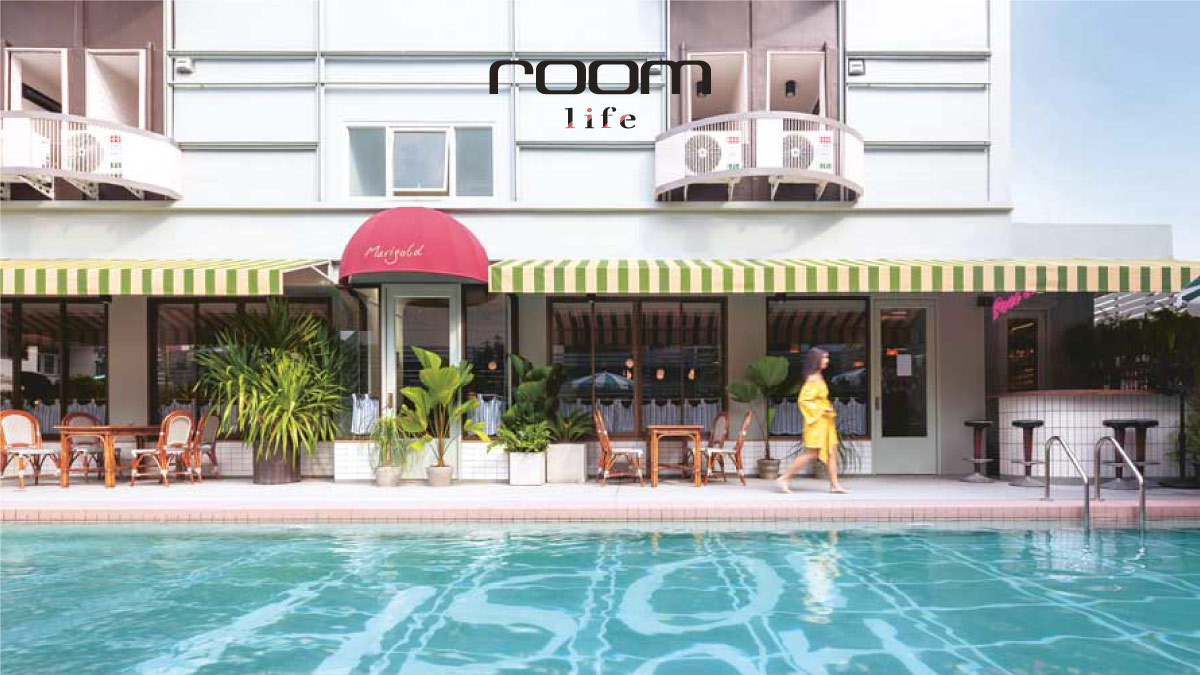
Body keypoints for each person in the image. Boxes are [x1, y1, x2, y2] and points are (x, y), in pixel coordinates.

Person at [776, 347, 849, 494]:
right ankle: (784, 478)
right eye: (824, 358)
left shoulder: (818, 376)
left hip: (825, 421)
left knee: (831, 451)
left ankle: (834, 485)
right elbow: (803, 400)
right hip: (815, 422)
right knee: (812, 453)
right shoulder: (813, 379)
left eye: (827, 357)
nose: (827, 360)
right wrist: (822, 409)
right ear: (817, 360)